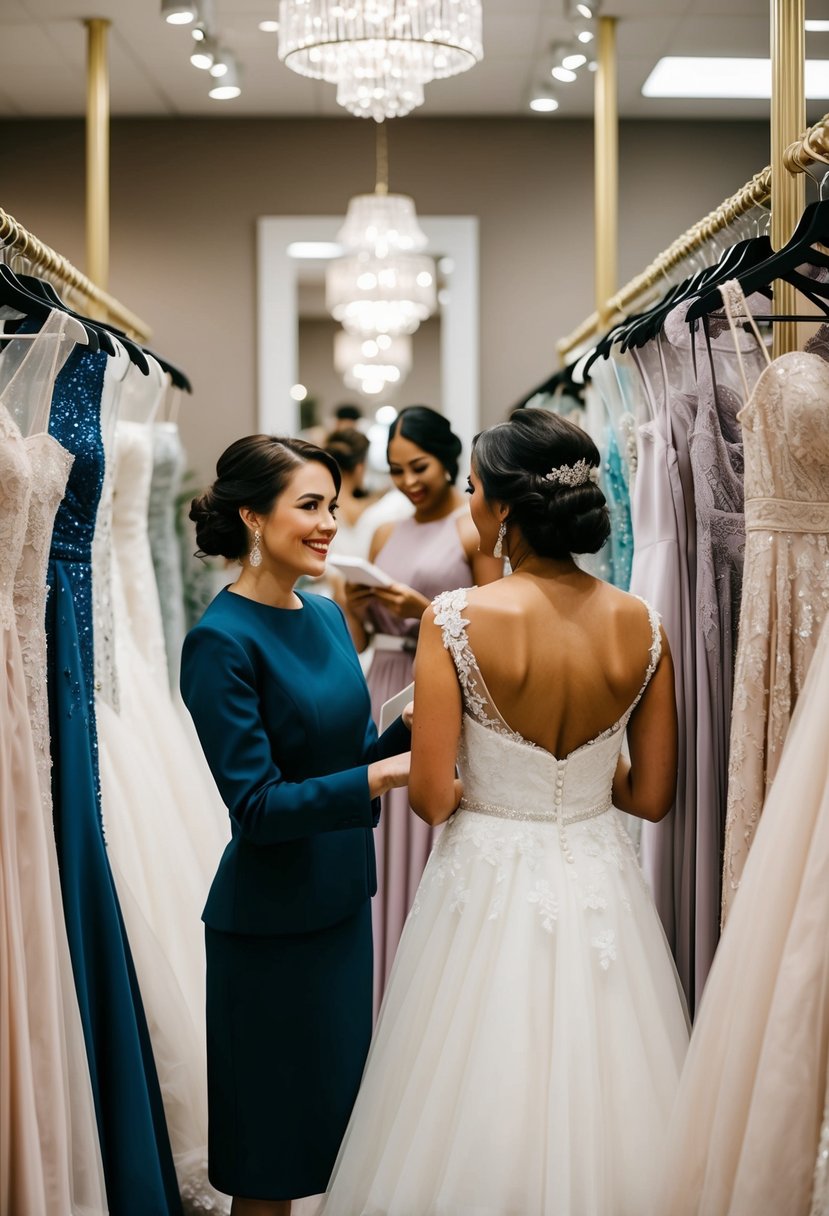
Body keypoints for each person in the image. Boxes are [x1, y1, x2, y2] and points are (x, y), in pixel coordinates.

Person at [321, 408, 690, 1216]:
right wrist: (581, 780)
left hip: (483, 876)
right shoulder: (645, 625)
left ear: (505, 511)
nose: (468, 502)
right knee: (610, 1081)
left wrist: (485, 774)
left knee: (471, 1080)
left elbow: (430, 797)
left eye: (474, 487)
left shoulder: (456, 619)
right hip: (599, 875)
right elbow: (652, 798)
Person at [179, 434, 412, 1216]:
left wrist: (412, 730)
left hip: (341, 907)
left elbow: (340, 757)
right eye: (308, 506)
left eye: (332, 506)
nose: (328, 524)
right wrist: (381, 774)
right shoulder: (219, 640)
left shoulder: (322, 614)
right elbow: (258, 806)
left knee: (335, 1143)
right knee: (272, 1167)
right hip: (270, 931)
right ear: (251, 514)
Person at [342, 405, 503, 1008]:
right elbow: (360, 641)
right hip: (385, 680)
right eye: (395, 470)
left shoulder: (471, 529)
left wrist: (426, 613)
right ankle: (379, 987)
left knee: (430, 825)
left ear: (449, 460)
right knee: (383, 837)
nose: (408, 482)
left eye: (420, 467)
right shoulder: (385, 533)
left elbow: (494, 627)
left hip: (442, 685)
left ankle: (427, 993)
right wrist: (355, 605)